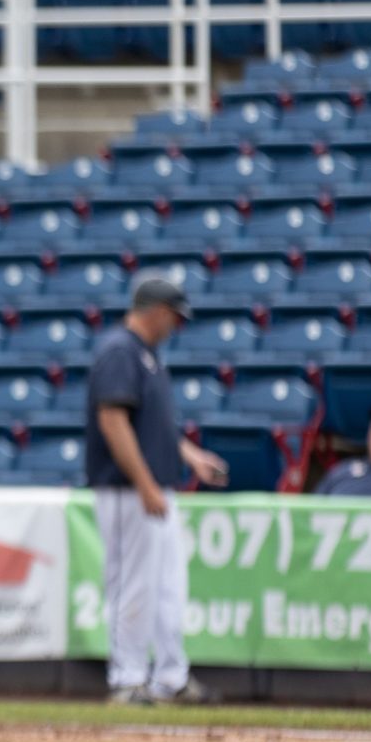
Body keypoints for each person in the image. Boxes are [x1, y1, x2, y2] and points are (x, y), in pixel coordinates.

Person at [86, 276, 231, 706]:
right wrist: (146, 483)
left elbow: (153, 426)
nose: (175, 325)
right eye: (173, 316)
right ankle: (127, 679)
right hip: (127, 491)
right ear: (157, 310)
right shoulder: (120, 351)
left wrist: (188, 457)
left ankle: (170, 676)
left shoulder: (145, 355)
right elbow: (113, 421)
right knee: (131, 586)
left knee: (168, 586)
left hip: (153, 489)